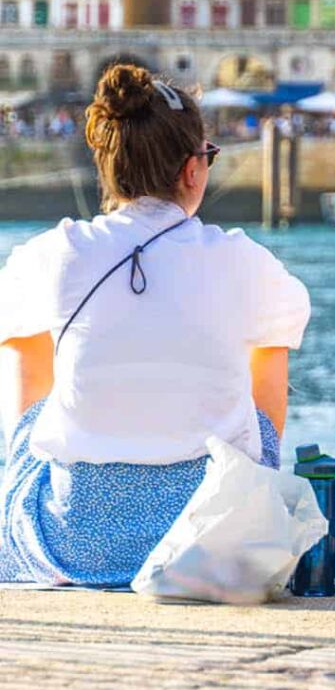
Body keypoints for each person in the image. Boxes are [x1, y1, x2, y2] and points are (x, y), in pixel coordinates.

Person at [0, 64, 310, 586]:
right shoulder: (244, 261)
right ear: (192, 170)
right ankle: (247, 496)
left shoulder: (56, 253)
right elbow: (270, 389)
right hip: (209, 537)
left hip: (74, 542)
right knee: (264, 359)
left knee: (28, 363)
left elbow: (22, 359)